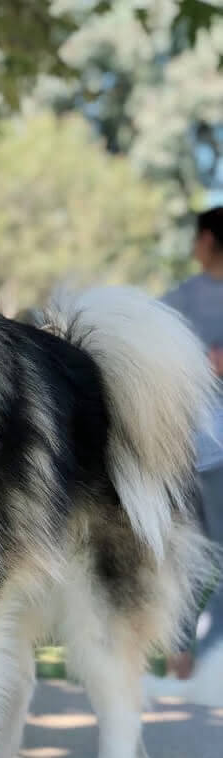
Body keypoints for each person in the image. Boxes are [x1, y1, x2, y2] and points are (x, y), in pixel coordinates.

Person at [163, 206, 223, 677]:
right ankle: (186, 653)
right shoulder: (182, 298)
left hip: (204, 449)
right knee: (192, 555)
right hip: (194, 449)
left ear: (209, 240)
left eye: (196, 235)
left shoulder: (185, 297)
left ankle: (201, 656)